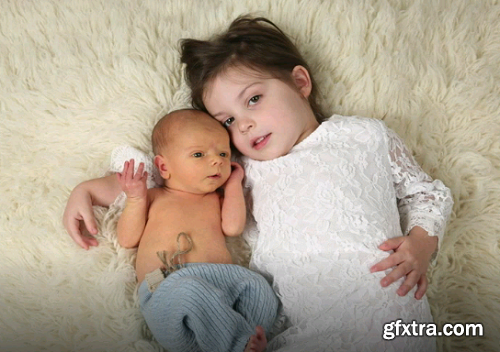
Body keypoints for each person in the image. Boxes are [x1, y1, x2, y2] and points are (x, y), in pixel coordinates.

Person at [63, 16, 454, 351]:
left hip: (392, 311)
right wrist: (89, 191)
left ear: (300, 82)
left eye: (253, 100)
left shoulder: (365, 135)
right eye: (228, 121)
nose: (244, 124)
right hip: (300, 328)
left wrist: (422, 242)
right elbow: (164, 177)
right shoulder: (239, 166)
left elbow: (424, 192)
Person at [113, 109, 279, 352]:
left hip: (221, 281)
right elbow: (127, 239)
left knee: (257, 286)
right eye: (198, 154)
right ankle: (237, 345)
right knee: (191, 290)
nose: (216, 161)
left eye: (223, 153)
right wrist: (135, 199)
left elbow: (233, 228)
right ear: (164, 166)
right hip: (168, 290)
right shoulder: (153, 196)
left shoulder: (215, 199)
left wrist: (233, 186)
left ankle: (246, 337)